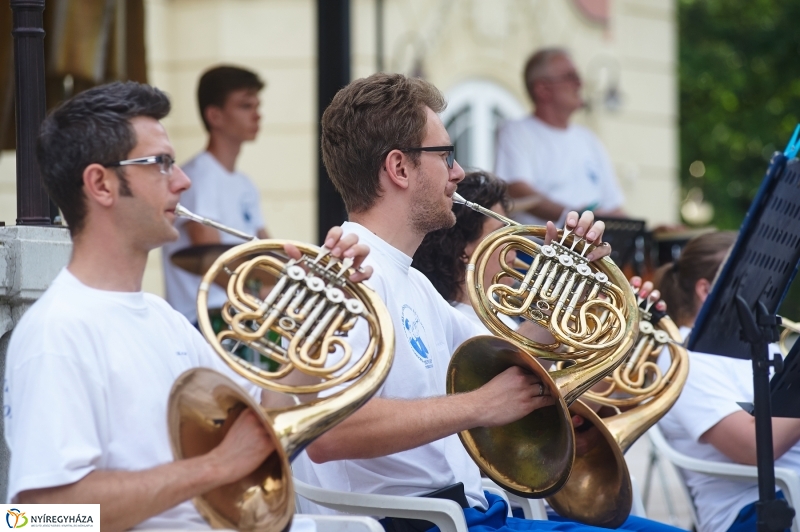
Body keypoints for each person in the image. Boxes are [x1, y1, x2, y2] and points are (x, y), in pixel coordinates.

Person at [292, 72, 682, 532]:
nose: (457, 173)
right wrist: (479, 405)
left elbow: (514, 353)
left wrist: (569, 284)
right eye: (446, 155)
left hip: (470, 513)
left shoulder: (409, 281)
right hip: (426, 522)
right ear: (399, 168)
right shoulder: (349, 274)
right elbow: (329, 432)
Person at [4, 81, 371, 531]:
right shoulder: (57, 331)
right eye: (160, 164)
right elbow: (35, 520)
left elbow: (270, 412)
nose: (182, 180)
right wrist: (213, 468)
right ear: (100, 183)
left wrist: (316, 314)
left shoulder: (164, 320)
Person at [655, 231, 800, 532]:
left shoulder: (760, 342)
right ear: (706, 290)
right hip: (750, 512)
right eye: (755, 280)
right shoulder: (683, 357)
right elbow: (756, 447)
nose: (769, 290)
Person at [162, 65, 269, 325]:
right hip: (207, 318)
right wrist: (268, 295)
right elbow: (211, 259)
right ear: (215, 116)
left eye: (257, 105)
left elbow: (269, 252)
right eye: (245, 106)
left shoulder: (245, 184)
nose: (257, 115)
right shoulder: (198, 177)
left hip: (241, 312)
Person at [494, 48, 625, 226]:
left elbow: (614, 208)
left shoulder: (589, 139)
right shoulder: (516, 132)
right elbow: (518, 190)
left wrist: (651, 232)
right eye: (570, 77)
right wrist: (576, 218)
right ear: (543, 89)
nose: (580, 83)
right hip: (538, 250)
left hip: (589, 249)